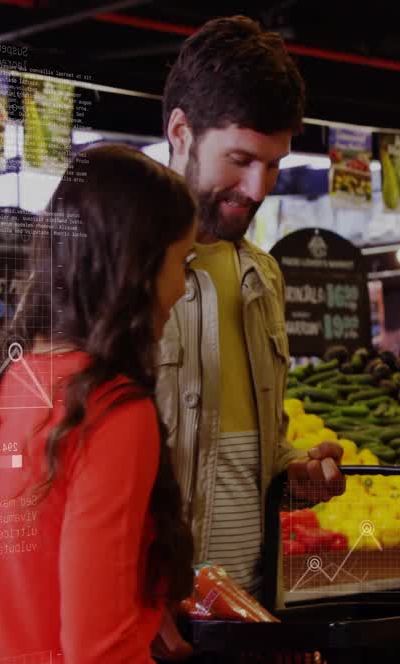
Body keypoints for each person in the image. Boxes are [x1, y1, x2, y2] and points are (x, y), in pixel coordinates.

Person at [0, 144, 274, 664]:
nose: (182, 290)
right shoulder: (111, 412)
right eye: (180, 264)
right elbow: (98, 655)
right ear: (135, 268)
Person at [157, 15, 344, 606]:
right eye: (240, 159)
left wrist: (294, 471)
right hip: (153, 621)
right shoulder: (118, 272)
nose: (259, 188)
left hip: (249, 609)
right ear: (182, 133)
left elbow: (237, 452)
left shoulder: (263, 277)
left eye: (274, 164)